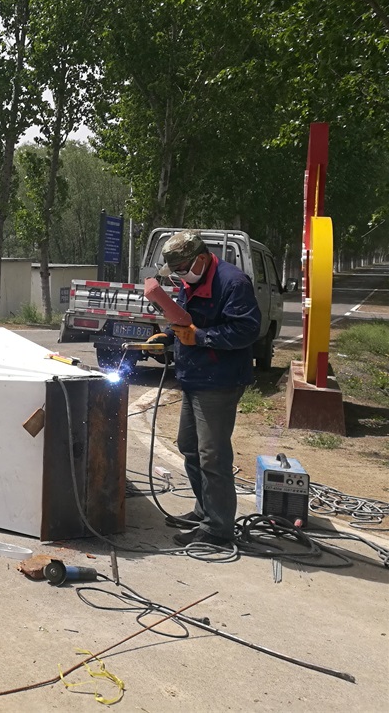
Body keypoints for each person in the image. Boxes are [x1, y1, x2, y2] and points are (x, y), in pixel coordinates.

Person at [149, 230, 261, 548]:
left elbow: (247, 330)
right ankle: (204, 511)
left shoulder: (232, 283)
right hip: (194, 377)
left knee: (212, 456)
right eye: (176, 271)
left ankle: (218, 529)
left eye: (183, 269)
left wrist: (199, 338)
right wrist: (169, 337)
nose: (181, 276)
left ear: (200, 258)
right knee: (189, 446)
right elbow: (186, 320)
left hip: (219, 380)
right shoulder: (192, 280)